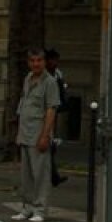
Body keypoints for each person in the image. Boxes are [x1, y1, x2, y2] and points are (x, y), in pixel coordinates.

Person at [13, 48, 61, 222]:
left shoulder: (50, 82)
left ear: (44, 62)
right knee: (26, 176)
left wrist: (45, 135)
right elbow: (23, 104)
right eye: (32, 61)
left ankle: (40, 209)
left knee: (40, 174)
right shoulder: (28, 78)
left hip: (38, 133)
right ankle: (27, 207)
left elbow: (51, 110)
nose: (35, 64)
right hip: (25, 132)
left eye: (39, 61)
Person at [45, 48, 70, 187]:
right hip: (45, 112)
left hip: (53, 110)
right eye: (53, 60)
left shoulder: (57, 75)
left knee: (51, 144)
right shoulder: (45, 76)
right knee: (48, 144)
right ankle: (52, 176)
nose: (55, 63)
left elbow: (62, 93)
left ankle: (53, 176)